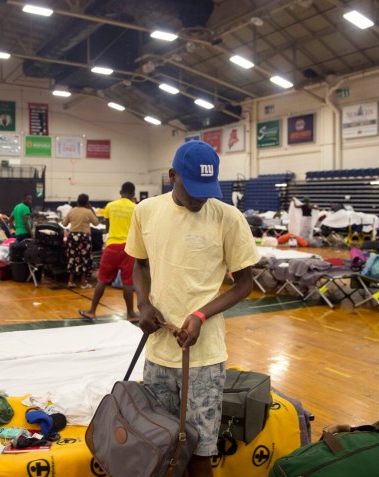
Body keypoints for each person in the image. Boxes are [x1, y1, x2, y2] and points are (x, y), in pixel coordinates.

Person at [125, 140, 259, 477]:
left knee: (200, 449)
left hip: (203, 358)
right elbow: (139, 265)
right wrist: (144, 303)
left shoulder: (228, 217)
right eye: (194, 188)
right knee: (159, 441)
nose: (202, 197)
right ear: (173, 176)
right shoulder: (146, 211)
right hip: (158, 352)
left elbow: (244, 283)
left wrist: (200, 315)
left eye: (208, 188)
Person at [78, 182, 138, 321]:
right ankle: (130, 313)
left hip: (111, 247)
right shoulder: (136, 208)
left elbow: (107, 229)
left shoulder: (110, 206)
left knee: (102, 280)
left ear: (120, 192)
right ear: (133, 194)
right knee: (128, 282)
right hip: (128, 249)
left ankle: (92, 311)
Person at [61, 193, 99, 289]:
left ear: (77, 201)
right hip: (84, 238)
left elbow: (64, 224)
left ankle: (70, 281)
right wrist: (91, 209)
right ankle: (83, 283)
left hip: (73, 237)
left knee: (73, 258)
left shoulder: (72, 211)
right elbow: (96, 223)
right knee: (85, 259)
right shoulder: (88, 211)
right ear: (87, 202)